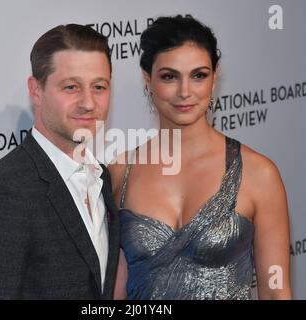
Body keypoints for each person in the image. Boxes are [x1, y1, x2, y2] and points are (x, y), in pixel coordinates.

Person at [109, 15, 292, 300]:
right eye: (169, 76)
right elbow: (116, 293)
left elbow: (276, 292)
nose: (185, 92)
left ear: (214, 77)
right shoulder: (121, 172)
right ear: (148, 80)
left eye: (198, 75)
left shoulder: (259, 174)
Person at [0, 24, 119, 299]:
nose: (89, 103)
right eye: (71, 87)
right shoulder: (5, 191)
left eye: (99, 87)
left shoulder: (102, 177)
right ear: (36, 90)